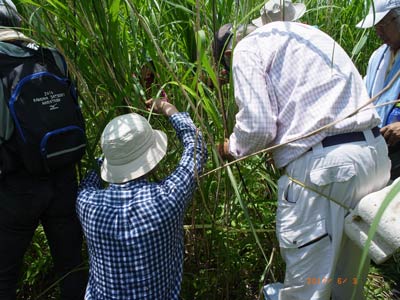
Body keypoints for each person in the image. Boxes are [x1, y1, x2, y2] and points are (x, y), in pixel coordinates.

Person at [214, 21, 391, 300]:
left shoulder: (245, 48)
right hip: (372, 158)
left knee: (308, 290)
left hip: (327, 172)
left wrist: (231, 147)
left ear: (227, 54)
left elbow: (258, 126)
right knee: (348, 283)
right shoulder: (306, 34)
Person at [76, 98, 207, 299]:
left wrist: (111, 154)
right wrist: (168, 108)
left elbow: (89, 179)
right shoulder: (166, 200)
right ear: (151, 159)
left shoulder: (86, 204)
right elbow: (196, 147)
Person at [0, 1, 87, 299]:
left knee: (4, 274)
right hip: (63, 175)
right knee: (72, 266)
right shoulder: (51, 55)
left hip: (17, 185)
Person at [356, 0, 400, 179]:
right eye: (376, 27)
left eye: (383, 25)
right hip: (380, 147)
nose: (379, 32)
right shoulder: (378, 57)